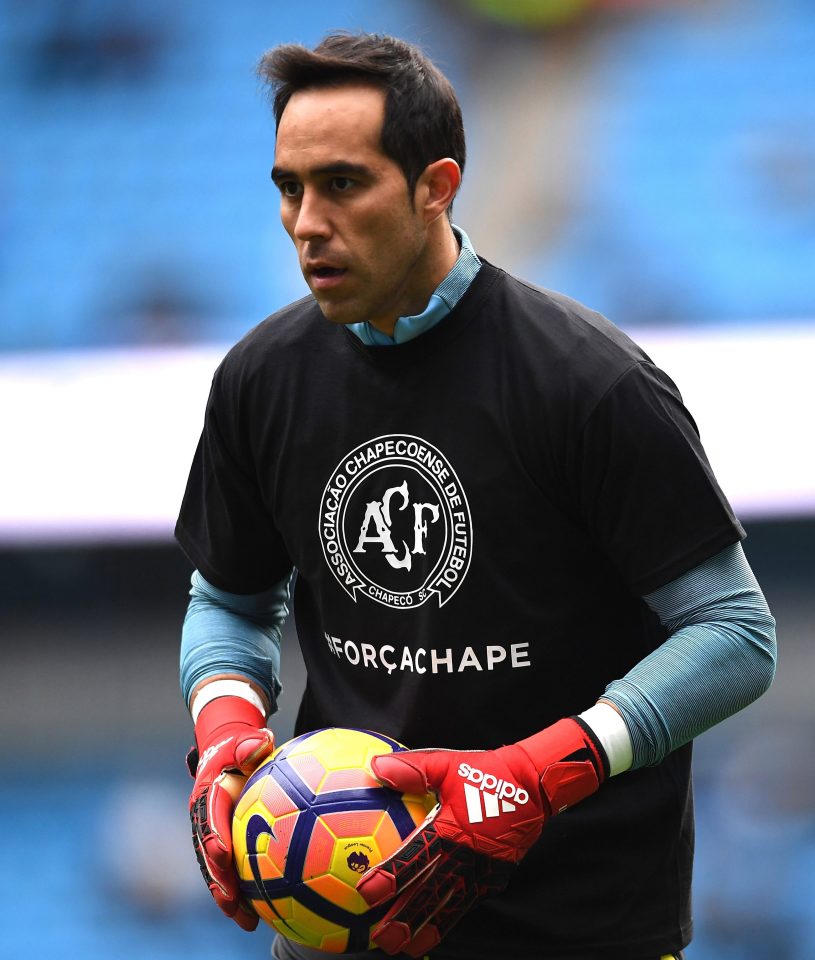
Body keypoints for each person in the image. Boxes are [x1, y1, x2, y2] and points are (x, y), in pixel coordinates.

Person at [176, 32, 776, 960]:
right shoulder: (261, 377)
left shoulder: (588, 381)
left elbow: (733, 634)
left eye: (342, 184)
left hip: (581, 928)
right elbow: (229, 598)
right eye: (288, 188)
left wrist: (539, 773)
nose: (305, 222)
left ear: (435, 185)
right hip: (345, 931)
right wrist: (223, 727)